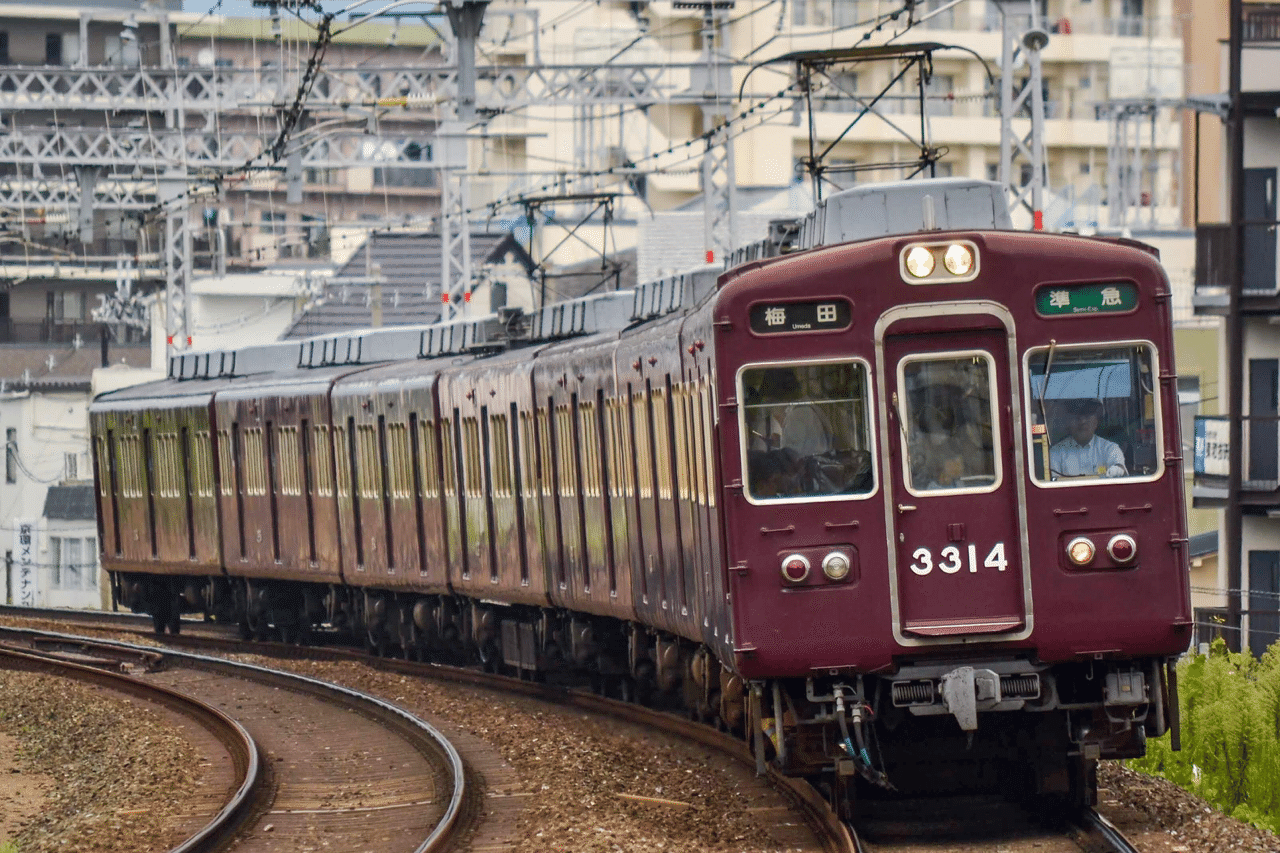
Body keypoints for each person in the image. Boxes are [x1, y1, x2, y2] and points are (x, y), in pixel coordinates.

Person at [1050, 398, 1127, 478]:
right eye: (1077, 417)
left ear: (1097, 421)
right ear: (1068, 422)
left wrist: (1117, 469)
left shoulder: (1110, 448)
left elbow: (1119, 467)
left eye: (1087, 416)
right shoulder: (1056, 452)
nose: (1082, 421)